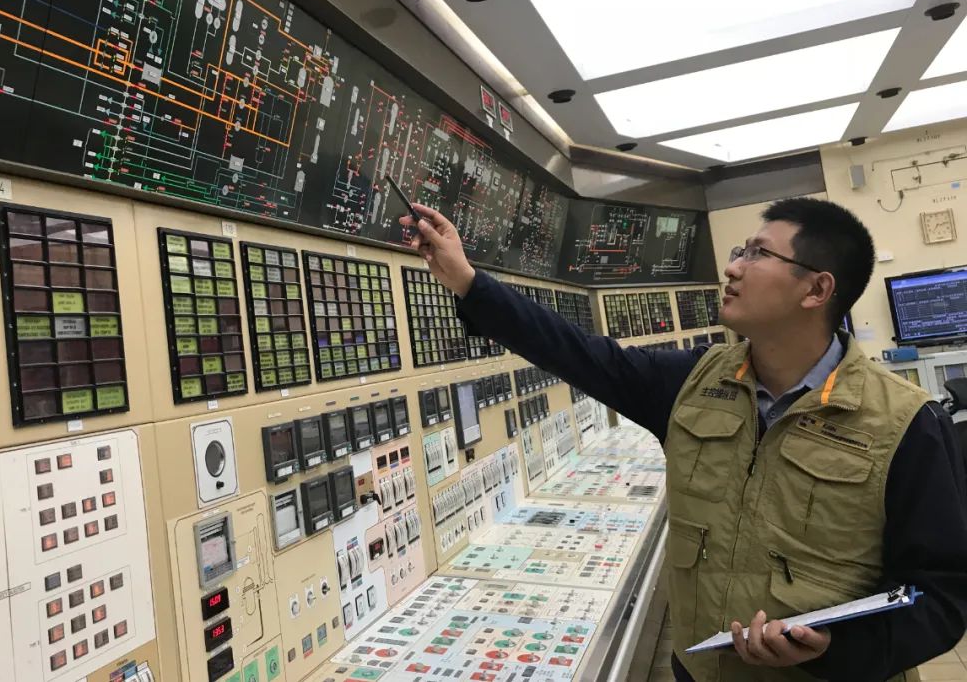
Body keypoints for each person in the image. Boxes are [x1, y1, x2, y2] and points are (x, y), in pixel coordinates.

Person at [400, 197, 967, 682]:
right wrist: (467, 280)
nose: (733, 267)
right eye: (740, 250)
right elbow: (577, 353)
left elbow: (942, 595)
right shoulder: (692, 383)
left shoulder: (905, 423)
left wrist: (835, 649)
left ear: (817, 289)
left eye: (758, 254)